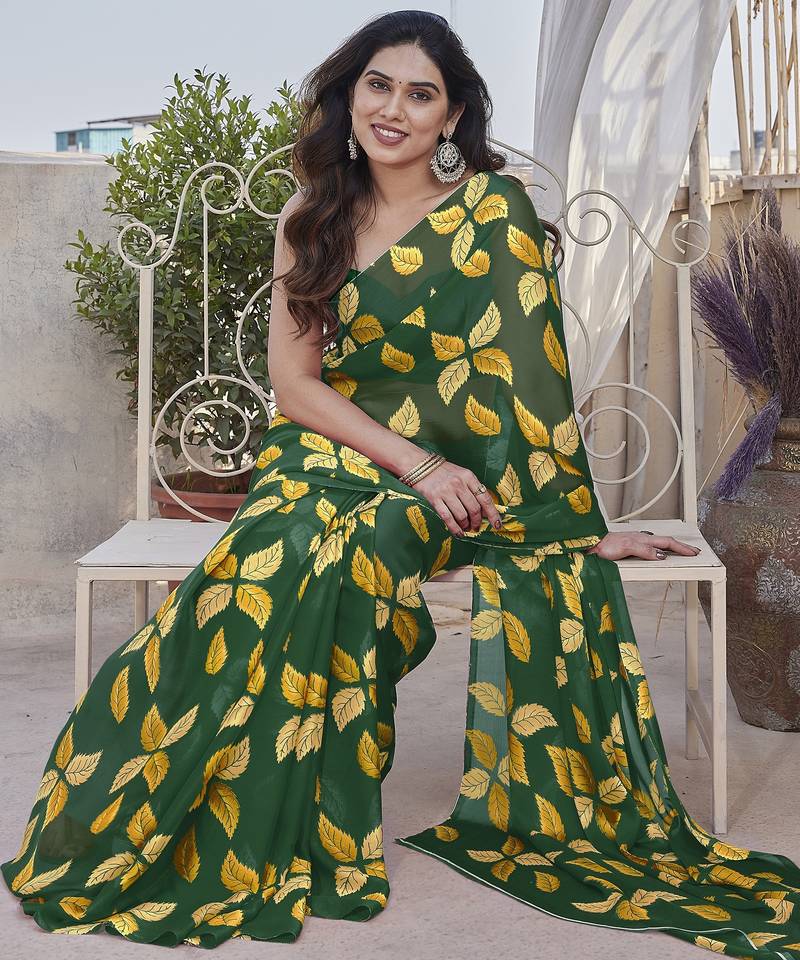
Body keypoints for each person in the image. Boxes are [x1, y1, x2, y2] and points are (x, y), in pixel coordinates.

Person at [3, 9, 800, 956]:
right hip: (331, 453)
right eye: (378, 85)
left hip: (454, 485)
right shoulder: (311, 218)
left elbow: (531, 387)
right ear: (350, 96)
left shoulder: (492, 213)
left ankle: (304, 813)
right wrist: (414, 461)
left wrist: (575, 527)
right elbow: (297, 387)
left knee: (364, 548)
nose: (393, 109)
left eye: (421, 95)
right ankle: (168, 805)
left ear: (451, 116)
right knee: (275, 557)